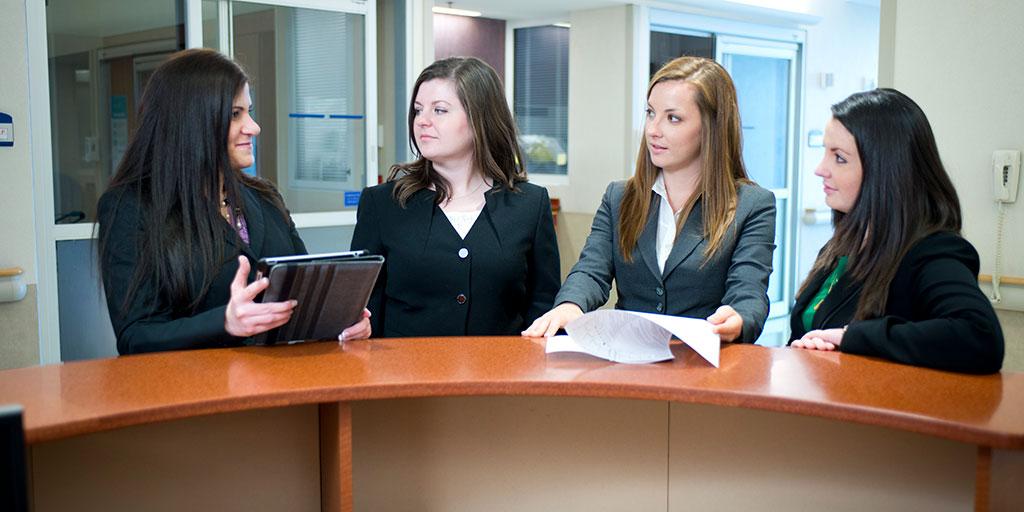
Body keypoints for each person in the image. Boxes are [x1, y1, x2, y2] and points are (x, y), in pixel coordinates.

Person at [98, 49, 370, 355]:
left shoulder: (265, 197)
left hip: (288, 388)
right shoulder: (130, 207)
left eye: (249, 111)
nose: (253, 127)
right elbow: (136, 336)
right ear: (191, 121)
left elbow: (303, 294)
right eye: (235, 114)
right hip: (201, 393)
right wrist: (224, 322)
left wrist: (341, 320)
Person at [523, 56, 776, 342]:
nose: (653, 130)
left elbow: (749, 292)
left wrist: (739, 317)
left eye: (673, 118)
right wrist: (570, 306)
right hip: (629, 364)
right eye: (650, 113)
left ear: (711, 127)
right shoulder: (619, 197)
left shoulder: (752, 205)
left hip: (703, 366)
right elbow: (591, 271)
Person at [790, 88, 1003, 374]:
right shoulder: (841, 246)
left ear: (885, 171)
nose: (820, 169)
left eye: (839, 157)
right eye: (825, 152)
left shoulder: (932, 252)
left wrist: (853, 337)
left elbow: (979, 335)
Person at [350, 57, 560, 337]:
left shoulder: (529, 204)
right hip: (405, 376)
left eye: (439, 110)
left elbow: (544, 307)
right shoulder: (382, 204)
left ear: (479, 119)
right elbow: (362, 311)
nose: (422, 121)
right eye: (417, 110)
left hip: (503, 376)